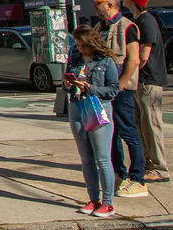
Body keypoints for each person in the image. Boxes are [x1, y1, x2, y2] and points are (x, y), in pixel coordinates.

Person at [94, 0, 148, 198]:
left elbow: (133, 59)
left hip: (121, 90)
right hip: (104, 90)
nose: (95, 5)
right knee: (111, 133)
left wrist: (122, 84)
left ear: (109, 5)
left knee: (128, 131)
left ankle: (138, 179)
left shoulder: (127, 27)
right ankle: (119, 174)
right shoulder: (102, 27)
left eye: (97, 2)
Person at [65, 26, 122, 218]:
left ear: (92, 43)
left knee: (102, 158)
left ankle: (108, 202)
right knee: (86, 157)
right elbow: (66, 82)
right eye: (78, 45)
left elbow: (113, 90)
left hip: (97, 107)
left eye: (84, 45)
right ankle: (93, 198)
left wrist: (90, 87)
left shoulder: (106, 61)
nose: (80, 49)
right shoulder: (74, 58)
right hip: (77, 106)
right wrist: (68, 84)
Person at [124, 0, 169, 182]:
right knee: (142, 125)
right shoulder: (138, 20)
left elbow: (143, 55)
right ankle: (149, 164)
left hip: (149, 81)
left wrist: (129, 73)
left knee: (151, 124)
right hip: (141, 82)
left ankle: (160, 168)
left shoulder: (146, 21)